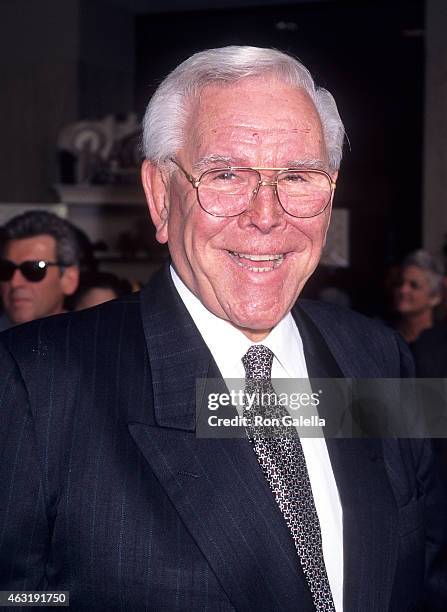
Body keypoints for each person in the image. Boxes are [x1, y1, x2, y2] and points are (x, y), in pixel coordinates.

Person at [0, 46, 446, 611]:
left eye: (299, 175)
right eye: (225, 174)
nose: (266, 215)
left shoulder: (379, 356)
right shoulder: (35, 382)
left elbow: (428, 574)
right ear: (161, 196)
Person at [0, 210, 80, 330]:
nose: (15, 283)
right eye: (6, 269)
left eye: (34, 269)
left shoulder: (91, 342)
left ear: (69, 279)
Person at [392, 249, 443, 346]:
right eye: (400, 282)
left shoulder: (442, 344)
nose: (403, 290)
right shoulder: (385, 334)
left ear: (435, 296)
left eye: (414, 285)